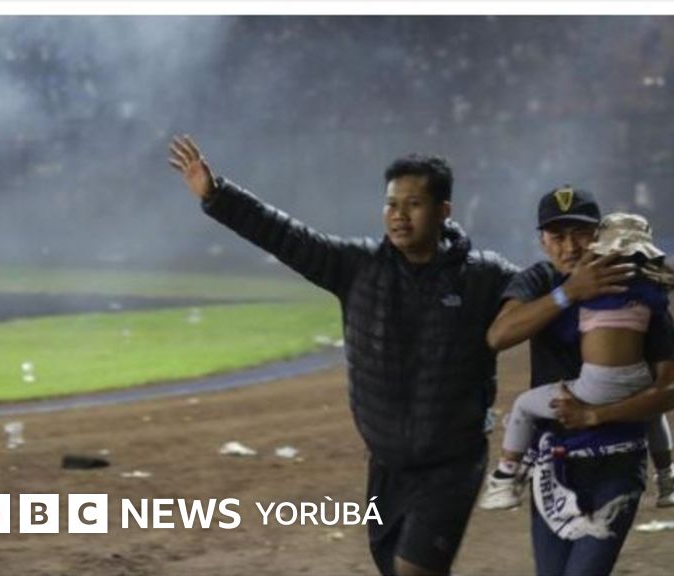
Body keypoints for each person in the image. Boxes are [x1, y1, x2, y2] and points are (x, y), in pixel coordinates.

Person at [168, 135, 537, 576]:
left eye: (413, 204)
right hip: (386, 462)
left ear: (443, 211)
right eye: (391, 204)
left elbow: (538, 291)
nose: (399, 215)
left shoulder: (482, 276)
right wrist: (217, 195)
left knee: (413, 569)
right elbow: (286, 236)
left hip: (451, 463)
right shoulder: (357, 267)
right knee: (395, 567)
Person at [484, 186, 674, 575]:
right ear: (542, 240)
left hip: (617, 462)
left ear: (599, 235)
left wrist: (597, 415)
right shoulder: (541, 280)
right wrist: (569, 293)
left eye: (580, 233)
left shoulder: (629, 281)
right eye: (557, 236)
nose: (569, 246)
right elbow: (499, 335)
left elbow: (672, 390)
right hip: (554, 465)